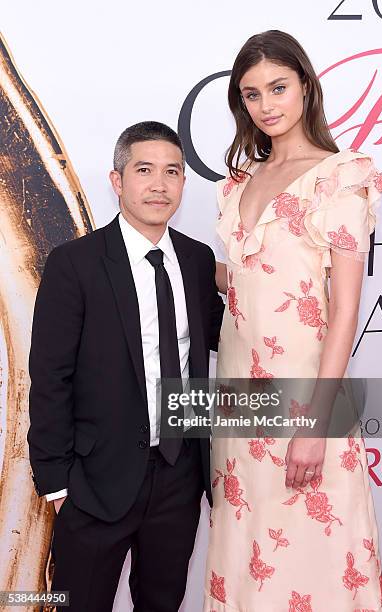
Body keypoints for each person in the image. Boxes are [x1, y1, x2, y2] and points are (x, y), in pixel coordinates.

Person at [204, 31, 382, 611]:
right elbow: (244, 279)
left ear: (306, 86)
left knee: (316, 558)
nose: (266, 105)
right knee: (247, 554)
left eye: (278, 87)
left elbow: (343, 315)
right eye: (252, 94)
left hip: (307, 402)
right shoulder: (236, 185)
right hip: (237, 405)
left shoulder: (342, 176)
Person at [27, 121, 224, 612]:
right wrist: (56, 482)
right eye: (144, 170)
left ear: (183, 182)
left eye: (172, 172)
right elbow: (50, 375)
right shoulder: (74, 263)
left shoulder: (198, 262)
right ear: (118, 181)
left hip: (179, 478)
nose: (159, 184)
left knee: (162, 603)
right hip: (94, 481)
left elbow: (233, 339)